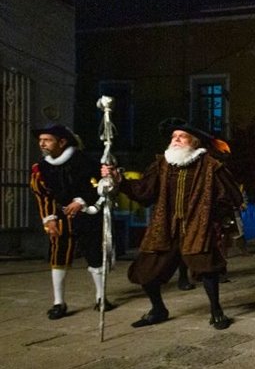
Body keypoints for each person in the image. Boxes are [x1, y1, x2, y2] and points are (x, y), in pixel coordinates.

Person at [101, 119, 244, 330]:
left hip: (198, 226)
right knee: (146, 271)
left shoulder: (211, 166)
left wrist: (218, 218)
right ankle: (158, 309)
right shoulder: (162, 164)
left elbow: (230, 195)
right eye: (173, 137)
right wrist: (117, 179)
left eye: (181, 136)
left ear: (194, 142)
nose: (175, 139)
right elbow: (144, 191)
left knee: (207, 269)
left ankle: (216, 311)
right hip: (165, 227)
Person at [30, 125, 113, 319]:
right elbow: (43, 195)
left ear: (62, 142)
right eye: (40, 140)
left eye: (47, 140)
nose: (42, 143)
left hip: (87, 214)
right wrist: (48, 219)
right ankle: (59, 302)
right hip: (60, 217)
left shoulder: (84, 160)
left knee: (94, 253)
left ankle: (101, 297)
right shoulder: (41, 168)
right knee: (58, 256)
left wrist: (81, 200)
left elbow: (100, 184)